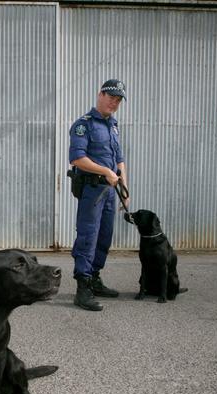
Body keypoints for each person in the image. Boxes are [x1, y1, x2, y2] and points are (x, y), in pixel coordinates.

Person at [68, 79, 130, 312]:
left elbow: (120, 160)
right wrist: (105, 172)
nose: (114, 102)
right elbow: (77, 159)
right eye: (111, 97)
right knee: (88, 236)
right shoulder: (83, 125)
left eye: (118, 100)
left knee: (105, 235)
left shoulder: (113, 126)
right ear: (100, 94)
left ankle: (94, 278)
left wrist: (124, 187)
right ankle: (82, 288)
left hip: (110, 191)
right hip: (93, 190)